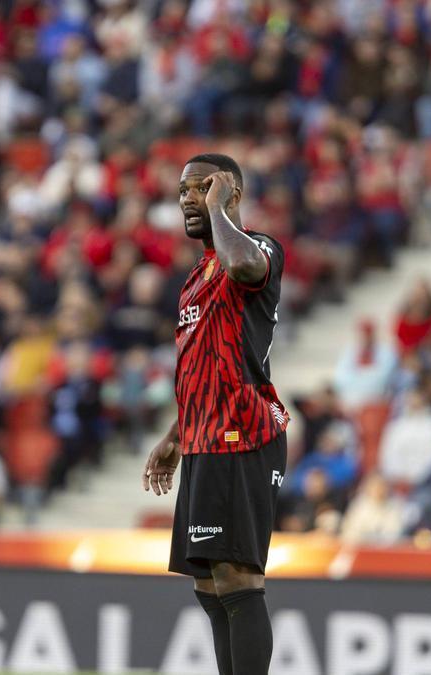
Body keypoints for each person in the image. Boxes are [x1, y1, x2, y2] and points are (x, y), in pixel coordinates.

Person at [142, 153, 289, 675]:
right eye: (182, 189)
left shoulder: (257, 248)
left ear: (230, 193)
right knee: (209, 585)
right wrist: (175, 436)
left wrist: (219, 207)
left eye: (200, 186)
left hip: (243, 430)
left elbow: (245, 266)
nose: (188, 197)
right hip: (204, 437)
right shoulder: (193, 279)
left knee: (237, 580)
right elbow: (199, 364)